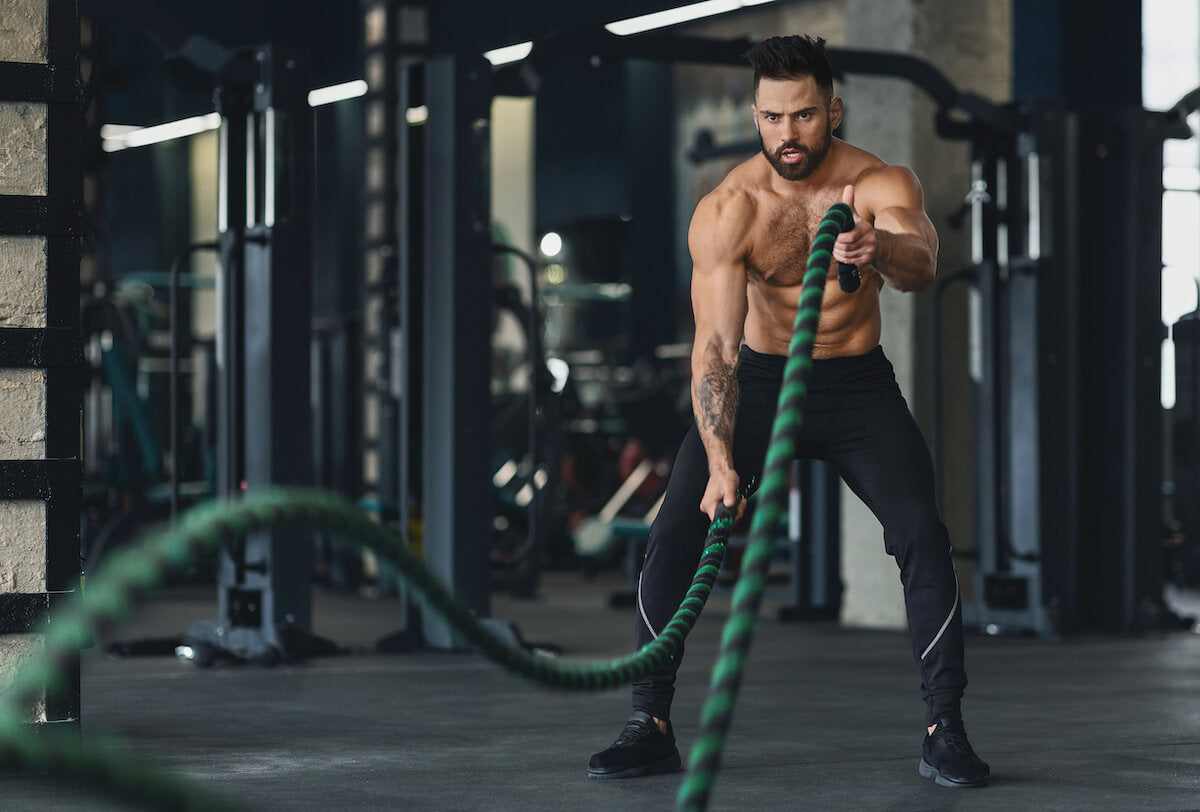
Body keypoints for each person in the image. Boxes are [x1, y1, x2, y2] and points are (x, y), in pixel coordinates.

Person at [587, 34, 989, 789]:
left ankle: (946, 726)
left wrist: (878, 249)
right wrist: (719, 462)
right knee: (676, 526)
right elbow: (713, 346)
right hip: (761, 383)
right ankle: (651, 722)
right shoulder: (730, 207)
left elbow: (922, 261)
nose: (788, 134)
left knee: (922, 535)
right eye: (772, 117)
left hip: (856, 388)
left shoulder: (873, 182)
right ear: (755, 115)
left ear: (831, 110)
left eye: (803, 115)